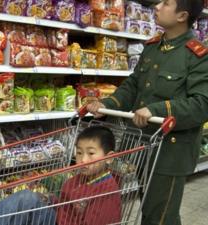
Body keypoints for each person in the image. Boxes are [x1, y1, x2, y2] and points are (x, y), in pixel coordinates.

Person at [87, 0, 208, 224]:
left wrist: (156, 110)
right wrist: (107, 104)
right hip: (143, 143)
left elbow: (202, 105)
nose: (157, 7)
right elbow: (133, 85)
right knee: (150, 207)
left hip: (171, 151)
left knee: (160, 215)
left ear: (181, 16)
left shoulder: (198, 55)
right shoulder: (153, 47)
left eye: (166, 3)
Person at [0, 126, 121, 225]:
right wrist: (50, 200)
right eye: (79, 153)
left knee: (26, 199)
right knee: (27, 198)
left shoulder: (106, 192)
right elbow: (65, 203)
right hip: (56, 219)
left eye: (91, 153)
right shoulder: (78, 178)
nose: (83, 159)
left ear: (109, 157)